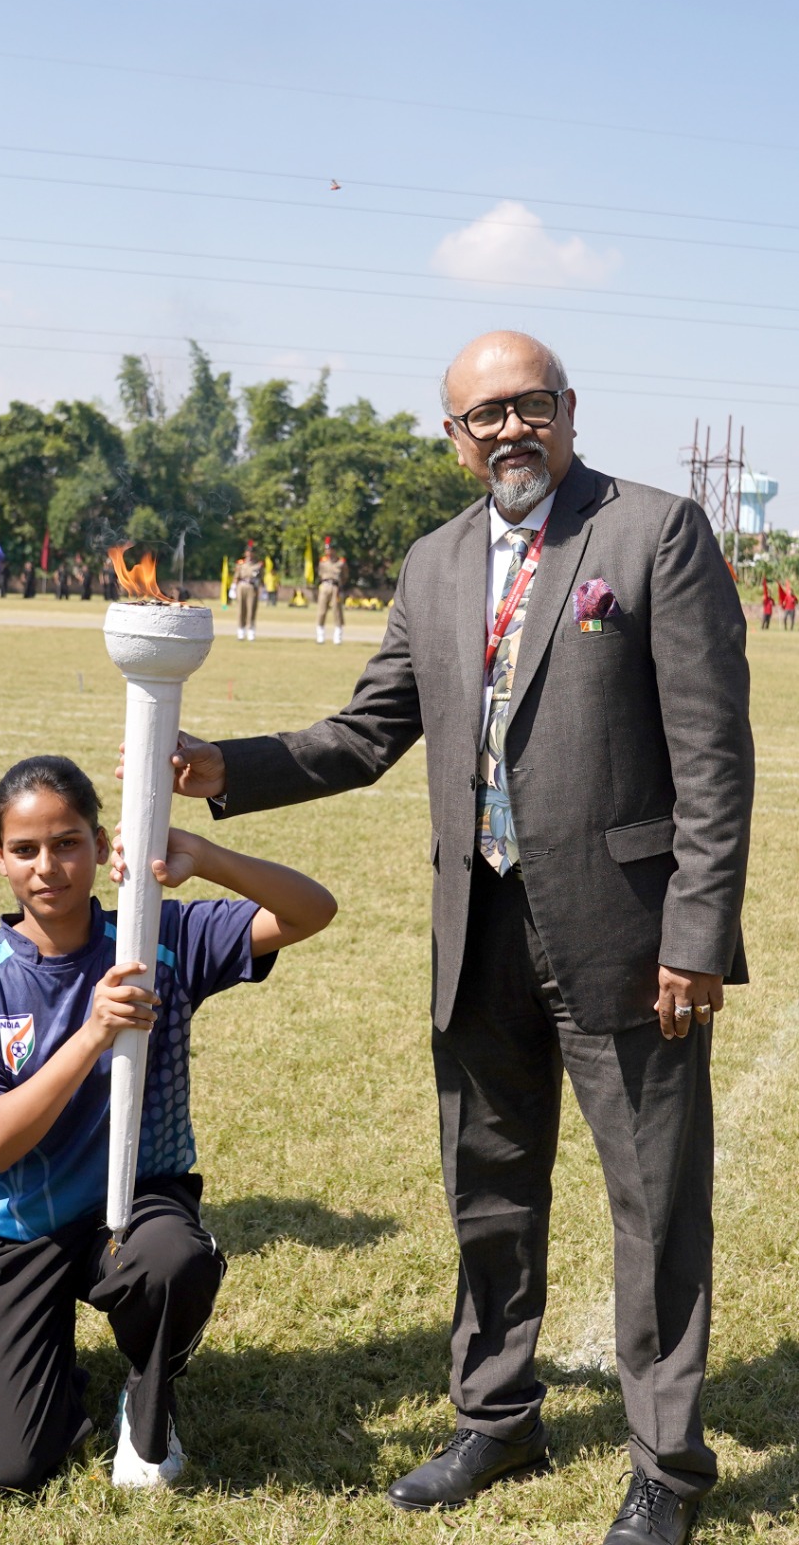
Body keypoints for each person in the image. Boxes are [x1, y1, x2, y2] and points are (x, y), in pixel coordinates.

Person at [161, 332, 752, 1545]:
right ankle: (497, 1414)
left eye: (530, 403)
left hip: (627, 939)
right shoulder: (435, 562)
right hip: (476, 928)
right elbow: (367, 730)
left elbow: (712, 757)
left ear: (570, 410)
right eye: (485, 413)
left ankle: (667, 1467)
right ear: (454, 437)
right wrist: (229, 768)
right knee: (486, 1185)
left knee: (655, 1207)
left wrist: (695, 932)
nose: (510, 427)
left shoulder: (654, 532)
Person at [0, 754, 335, 1493]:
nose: (47, 867)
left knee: (173, 1260)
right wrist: (92, 1034)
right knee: (5, 1468)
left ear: (98, 842)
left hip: (132, 1207)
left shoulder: (155, 941)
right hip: (11, 1224)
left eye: (66, 843)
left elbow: (312, 910)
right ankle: (45, 1365)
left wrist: (201, 854)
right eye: (25, 849)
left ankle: (148, 1401)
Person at [315, 539, 346, 645]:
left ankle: (338, 637)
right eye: (326, 549)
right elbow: (320, 573)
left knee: (337, 611)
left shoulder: (341, 562)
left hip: (335, 587)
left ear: (334, 550)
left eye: (329, 549)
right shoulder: (323, 561)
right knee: (321, 611)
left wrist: (340, 584)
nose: (327, 551)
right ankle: (320, 636)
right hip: (324, 586)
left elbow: (345, 575)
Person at [232, 541, 262, 641]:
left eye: (251, 552)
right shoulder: (241, 564)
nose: (249, 554)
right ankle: (241, 631)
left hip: (252, 587)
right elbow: (236, 577)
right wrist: (233, 587)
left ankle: (250, 631)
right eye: (248, 552)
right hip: (242, 586)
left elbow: (261, 578)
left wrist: (262, 589)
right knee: (241, 609)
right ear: (245, 553)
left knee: (251, 609)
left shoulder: (258, 564)